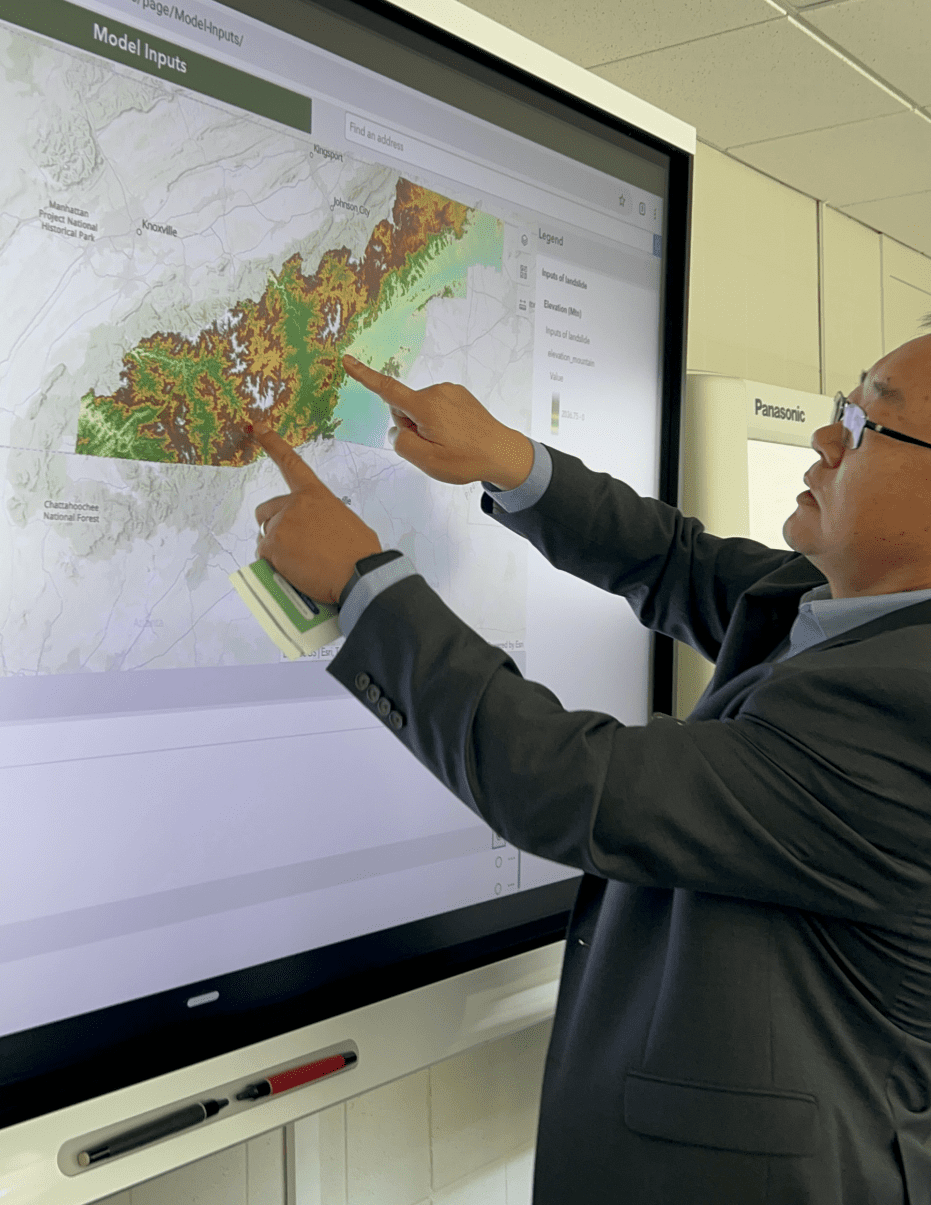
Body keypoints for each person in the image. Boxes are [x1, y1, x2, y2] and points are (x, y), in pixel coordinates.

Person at [250, 333, 931, 1205]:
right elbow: (676, 560)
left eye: (868, 424)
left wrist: (363, 587)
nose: (825, 441)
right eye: (844, 407)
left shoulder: (909, 712)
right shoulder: (855, 609)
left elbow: (571, 784)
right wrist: (511, 462)